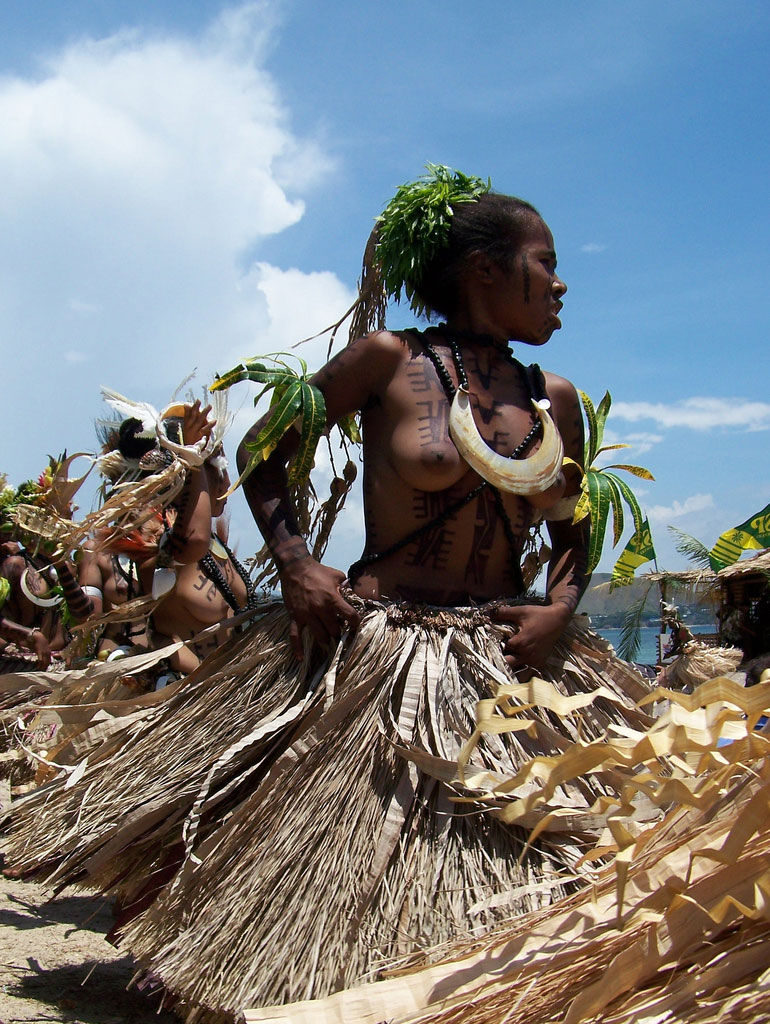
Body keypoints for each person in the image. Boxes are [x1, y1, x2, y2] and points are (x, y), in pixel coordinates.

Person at [5, 168, 653, 1019]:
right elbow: (265, 454)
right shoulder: (390, 361)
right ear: (483, 272)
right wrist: (299, 565)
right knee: (343, 849)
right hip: (381, 644)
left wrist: (561, 609)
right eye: (546, 262)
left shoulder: (552, 399)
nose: (562, 284)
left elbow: (571, 530)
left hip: (507, 659)